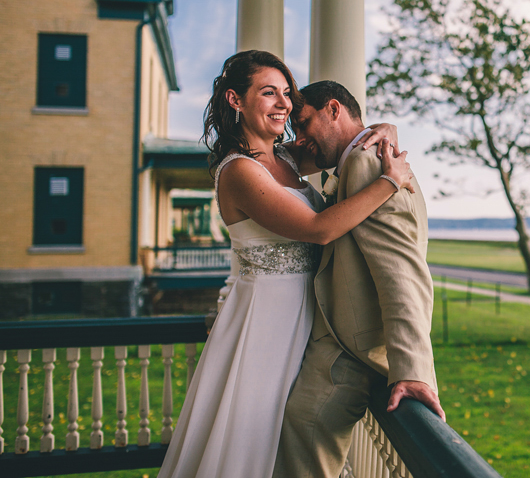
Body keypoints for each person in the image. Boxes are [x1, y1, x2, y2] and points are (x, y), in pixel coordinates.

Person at [157, 51, 412, 478]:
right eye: (269, 93)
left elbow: (343, 142)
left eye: (287, 95)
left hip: (306, 319)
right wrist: (390, 182)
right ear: (236, 100)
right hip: (264, 325)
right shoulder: (239, 170)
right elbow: (318, 228)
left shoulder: (289, 158)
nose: (284, 105)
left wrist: (381, 128)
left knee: (287, 435)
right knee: (251, 437)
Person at [274, 81, 444, 478]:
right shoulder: (359, 155)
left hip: (350, 351)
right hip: (339, 338)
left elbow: (401, 268)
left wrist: (413, 369)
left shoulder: (367, 162)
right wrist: (384, 125)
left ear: (334, 109)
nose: (300, 139)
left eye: (304, 123)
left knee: (305, 433)